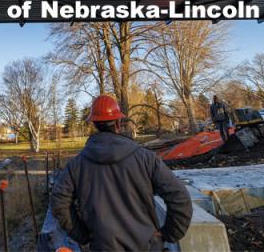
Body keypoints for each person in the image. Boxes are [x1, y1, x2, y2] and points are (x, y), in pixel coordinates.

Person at [50, 94, 193, 252]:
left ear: (94, 124)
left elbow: (58, 203)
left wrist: (83, 235)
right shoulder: (145, 158)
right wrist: (168, 234)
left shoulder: (76, 165)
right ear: (118, 122)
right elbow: (180, 197)